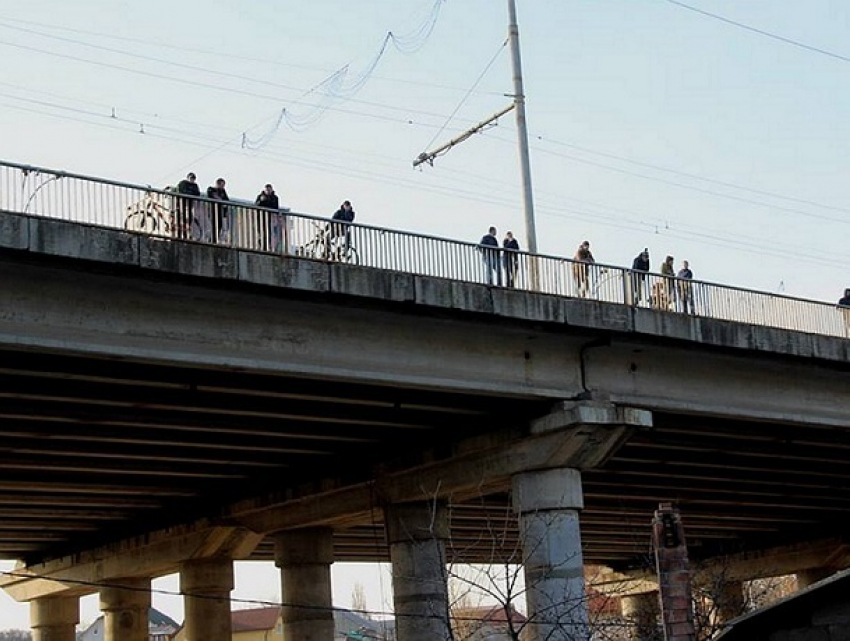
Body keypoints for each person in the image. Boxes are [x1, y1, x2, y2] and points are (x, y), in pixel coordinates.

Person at [255, 184, 281, 252]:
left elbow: (276, 207)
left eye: (269, 189)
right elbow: (256, 206)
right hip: (261, 216)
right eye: (267, 190)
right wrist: (261, 201)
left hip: (269, 217)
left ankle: (267, 247)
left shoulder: (275, 198)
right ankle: (261, 246)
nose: (268, 191)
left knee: (268, 232)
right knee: (260, 232)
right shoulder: (260, 196)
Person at [175, 172, 200, 240]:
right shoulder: (183, 183)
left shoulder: (195, 185)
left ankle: (187, 235)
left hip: (189, 204)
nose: (192, 180)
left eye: (193, 179)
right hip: (181, 203)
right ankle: (179, 235)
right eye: (191, 178)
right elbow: (181, 191)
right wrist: (190, 194)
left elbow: (197, 194)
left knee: (189, 218)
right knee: (180, 219)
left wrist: (191, 194)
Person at [206, 178, 230, 244]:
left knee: (220, 225)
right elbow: (212, 196)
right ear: (217, 184)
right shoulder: (211, 189)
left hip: (220, 212)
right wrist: (221, 200)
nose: (223, 187)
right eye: (222, 185)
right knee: (213, 225)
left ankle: (215, 239)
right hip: (212, 210)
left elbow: (227, 200)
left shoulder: (223, 191)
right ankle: (211, 239)